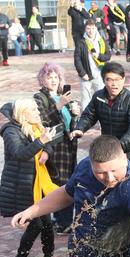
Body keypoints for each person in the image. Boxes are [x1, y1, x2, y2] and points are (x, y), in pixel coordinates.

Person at [0, 99, 65, 257]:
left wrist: (46, 150)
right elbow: (20, 153)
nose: (38, 112)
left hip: (40, 183)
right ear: (23, 113)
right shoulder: (10, 131)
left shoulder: (37, 126)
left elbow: (48, 142)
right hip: (22, 186)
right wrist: (41, 142)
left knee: (47, 226)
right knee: (36, 224)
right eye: (34, 110)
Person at [34, 62, 81, 235]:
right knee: (61, 184)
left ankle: (60, 219)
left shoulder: (63, 95)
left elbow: (68, 123)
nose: (53, 80)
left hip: (69, 146)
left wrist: (74, 114)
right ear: (43, 79)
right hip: (54, 148)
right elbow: (42, 121)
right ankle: (62, 222)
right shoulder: (40, 98)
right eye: (49, 77)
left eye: (56, 77)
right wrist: (59, 105)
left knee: (69, 182)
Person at [71, 62, 130, 167]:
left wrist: (120, 146)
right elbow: (89, 116)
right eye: (109, 80)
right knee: (109, 178)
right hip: (108, 147)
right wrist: (80, 128)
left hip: (129, 151)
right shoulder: (98, 97)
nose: (114, 84)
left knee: (125, 180)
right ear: (104, 81)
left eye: (117, 79)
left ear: (123, 79)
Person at [75, 20, 112, 110]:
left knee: (102, 98)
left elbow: (108, 56)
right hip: (86, 75)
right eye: (88, 28)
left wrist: (98, 56)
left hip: (99, 74)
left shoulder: (101, 41)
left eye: (93, 28)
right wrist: (82, 73)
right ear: (85, 29)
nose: (91, 31)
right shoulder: (81, 42)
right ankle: (86, 121)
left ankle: (103, 118)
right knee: (85, 99)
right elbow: (77, 59)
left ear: (96, 28)